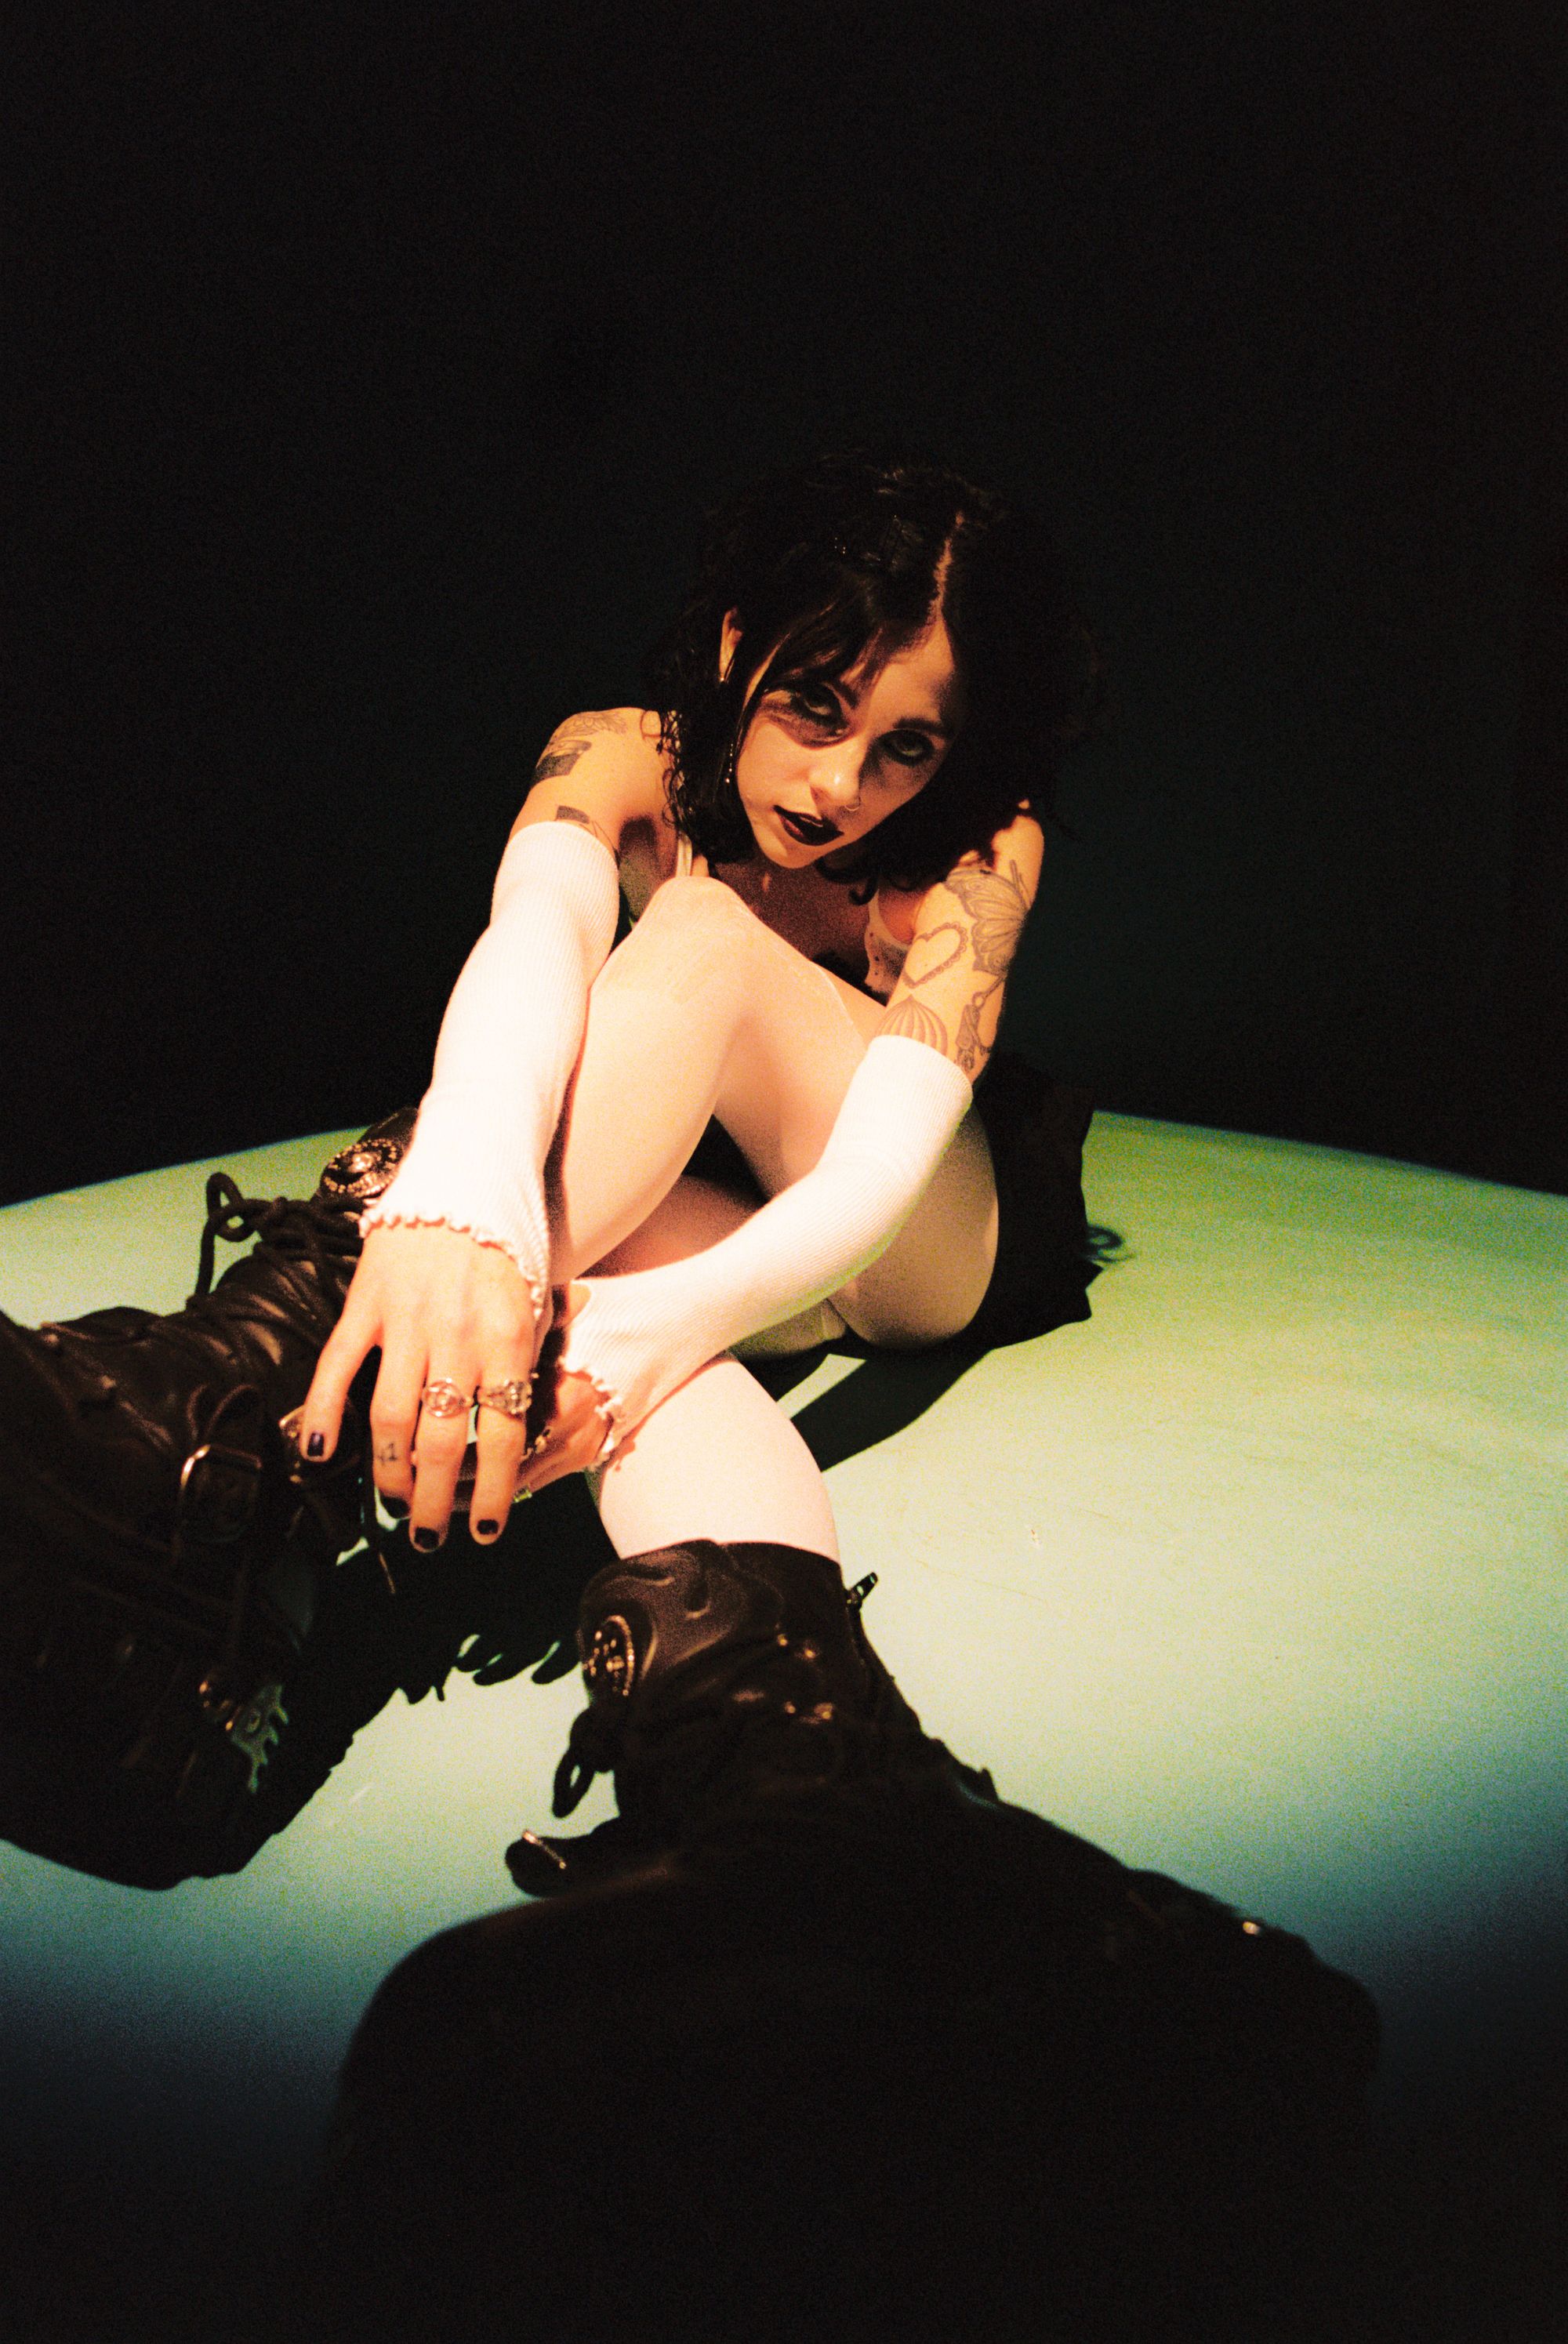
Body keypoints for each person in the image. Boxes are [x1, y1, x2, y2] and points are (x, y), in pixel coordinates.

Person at [296, 446, 1102, 1592]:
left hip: (916, 1245)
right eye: (815, 707)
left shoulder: (982, 846)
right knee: (521, 1228)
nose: (841, 787)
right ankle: (757, 1670)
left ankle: (258, 1361)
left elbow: (876, 1177)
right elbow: (537, 932)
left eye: (906, 748)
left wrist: (652, 1328)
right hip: (732, 1218)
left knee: (702, 934)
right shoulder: (629, 754)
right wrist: (474, 1206)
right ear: (736, 646)